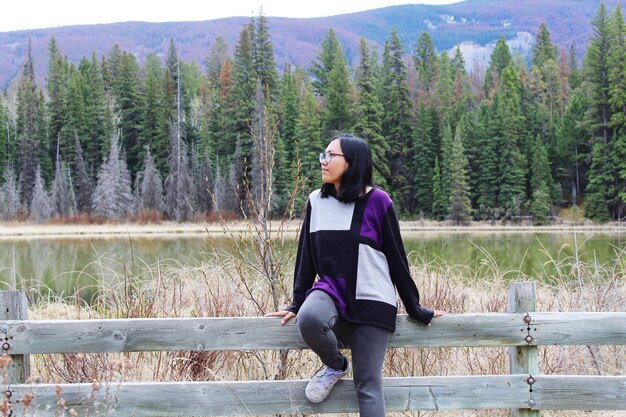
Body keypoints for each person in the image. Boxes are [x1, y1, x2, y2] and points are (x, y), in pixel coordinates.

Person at [267, 134, 444, 417]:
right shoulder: (316, 201)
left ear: (352, 163)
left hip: (372, 297)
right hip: (330, 291)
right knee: (309, 319)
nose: (323, 162)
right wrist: (296, 303)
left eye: (330, 156)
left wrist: (415, 307)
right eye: (322, 155)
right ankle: (336, 365)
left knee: (368, 385)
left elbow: (398, 260)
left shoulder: (379, 202)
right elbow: (306, 257)